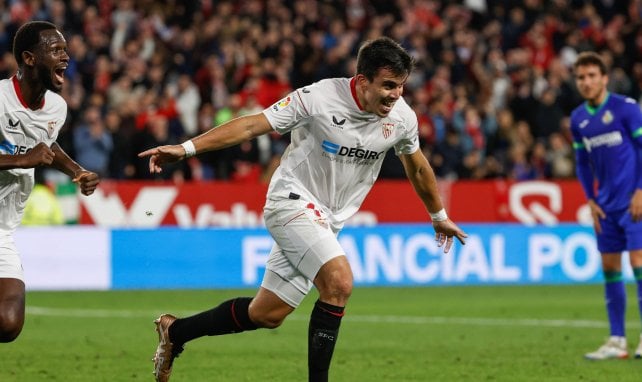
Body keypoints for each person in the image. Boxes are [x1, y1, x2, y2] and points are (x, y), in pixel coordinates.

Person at [139, 37, 467, 382]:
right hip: (291, 200)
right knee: (339, 282)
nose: (395, 95)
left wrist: (439, 216)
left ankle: (175, 333)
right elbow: (253, 124)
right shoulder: (319, 98)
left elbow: (416, 166)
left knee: (267, 313)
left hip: (328, 220)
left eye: (400, 86)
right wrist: (186, 148)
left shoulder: (401, 118)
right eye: (387, 85)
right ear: (362, 80)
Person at [0, 21, 100, 342]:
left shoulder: (56, 108)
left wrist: (76, 170)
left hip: (3, 229)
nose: (65, 57)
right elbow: (32, 154)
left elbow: (47, 146)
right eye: (55, 50)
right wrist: (21, 160)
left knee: (8, 322)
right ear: (29, 58)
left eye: (66, 50)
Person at [570, 51, 642, 360]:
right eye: (580, 77)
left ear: (604, 78)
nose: (586, 82)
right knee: (610, 268)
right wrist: (590, 198)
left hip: (634, 202)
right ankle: (617, 341)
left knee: (639, 264)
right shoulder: (578, 119)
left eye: (591, 76)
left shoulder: (626, 109)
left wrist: (640, 190)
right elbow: (582, 163)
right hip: (606, 206)